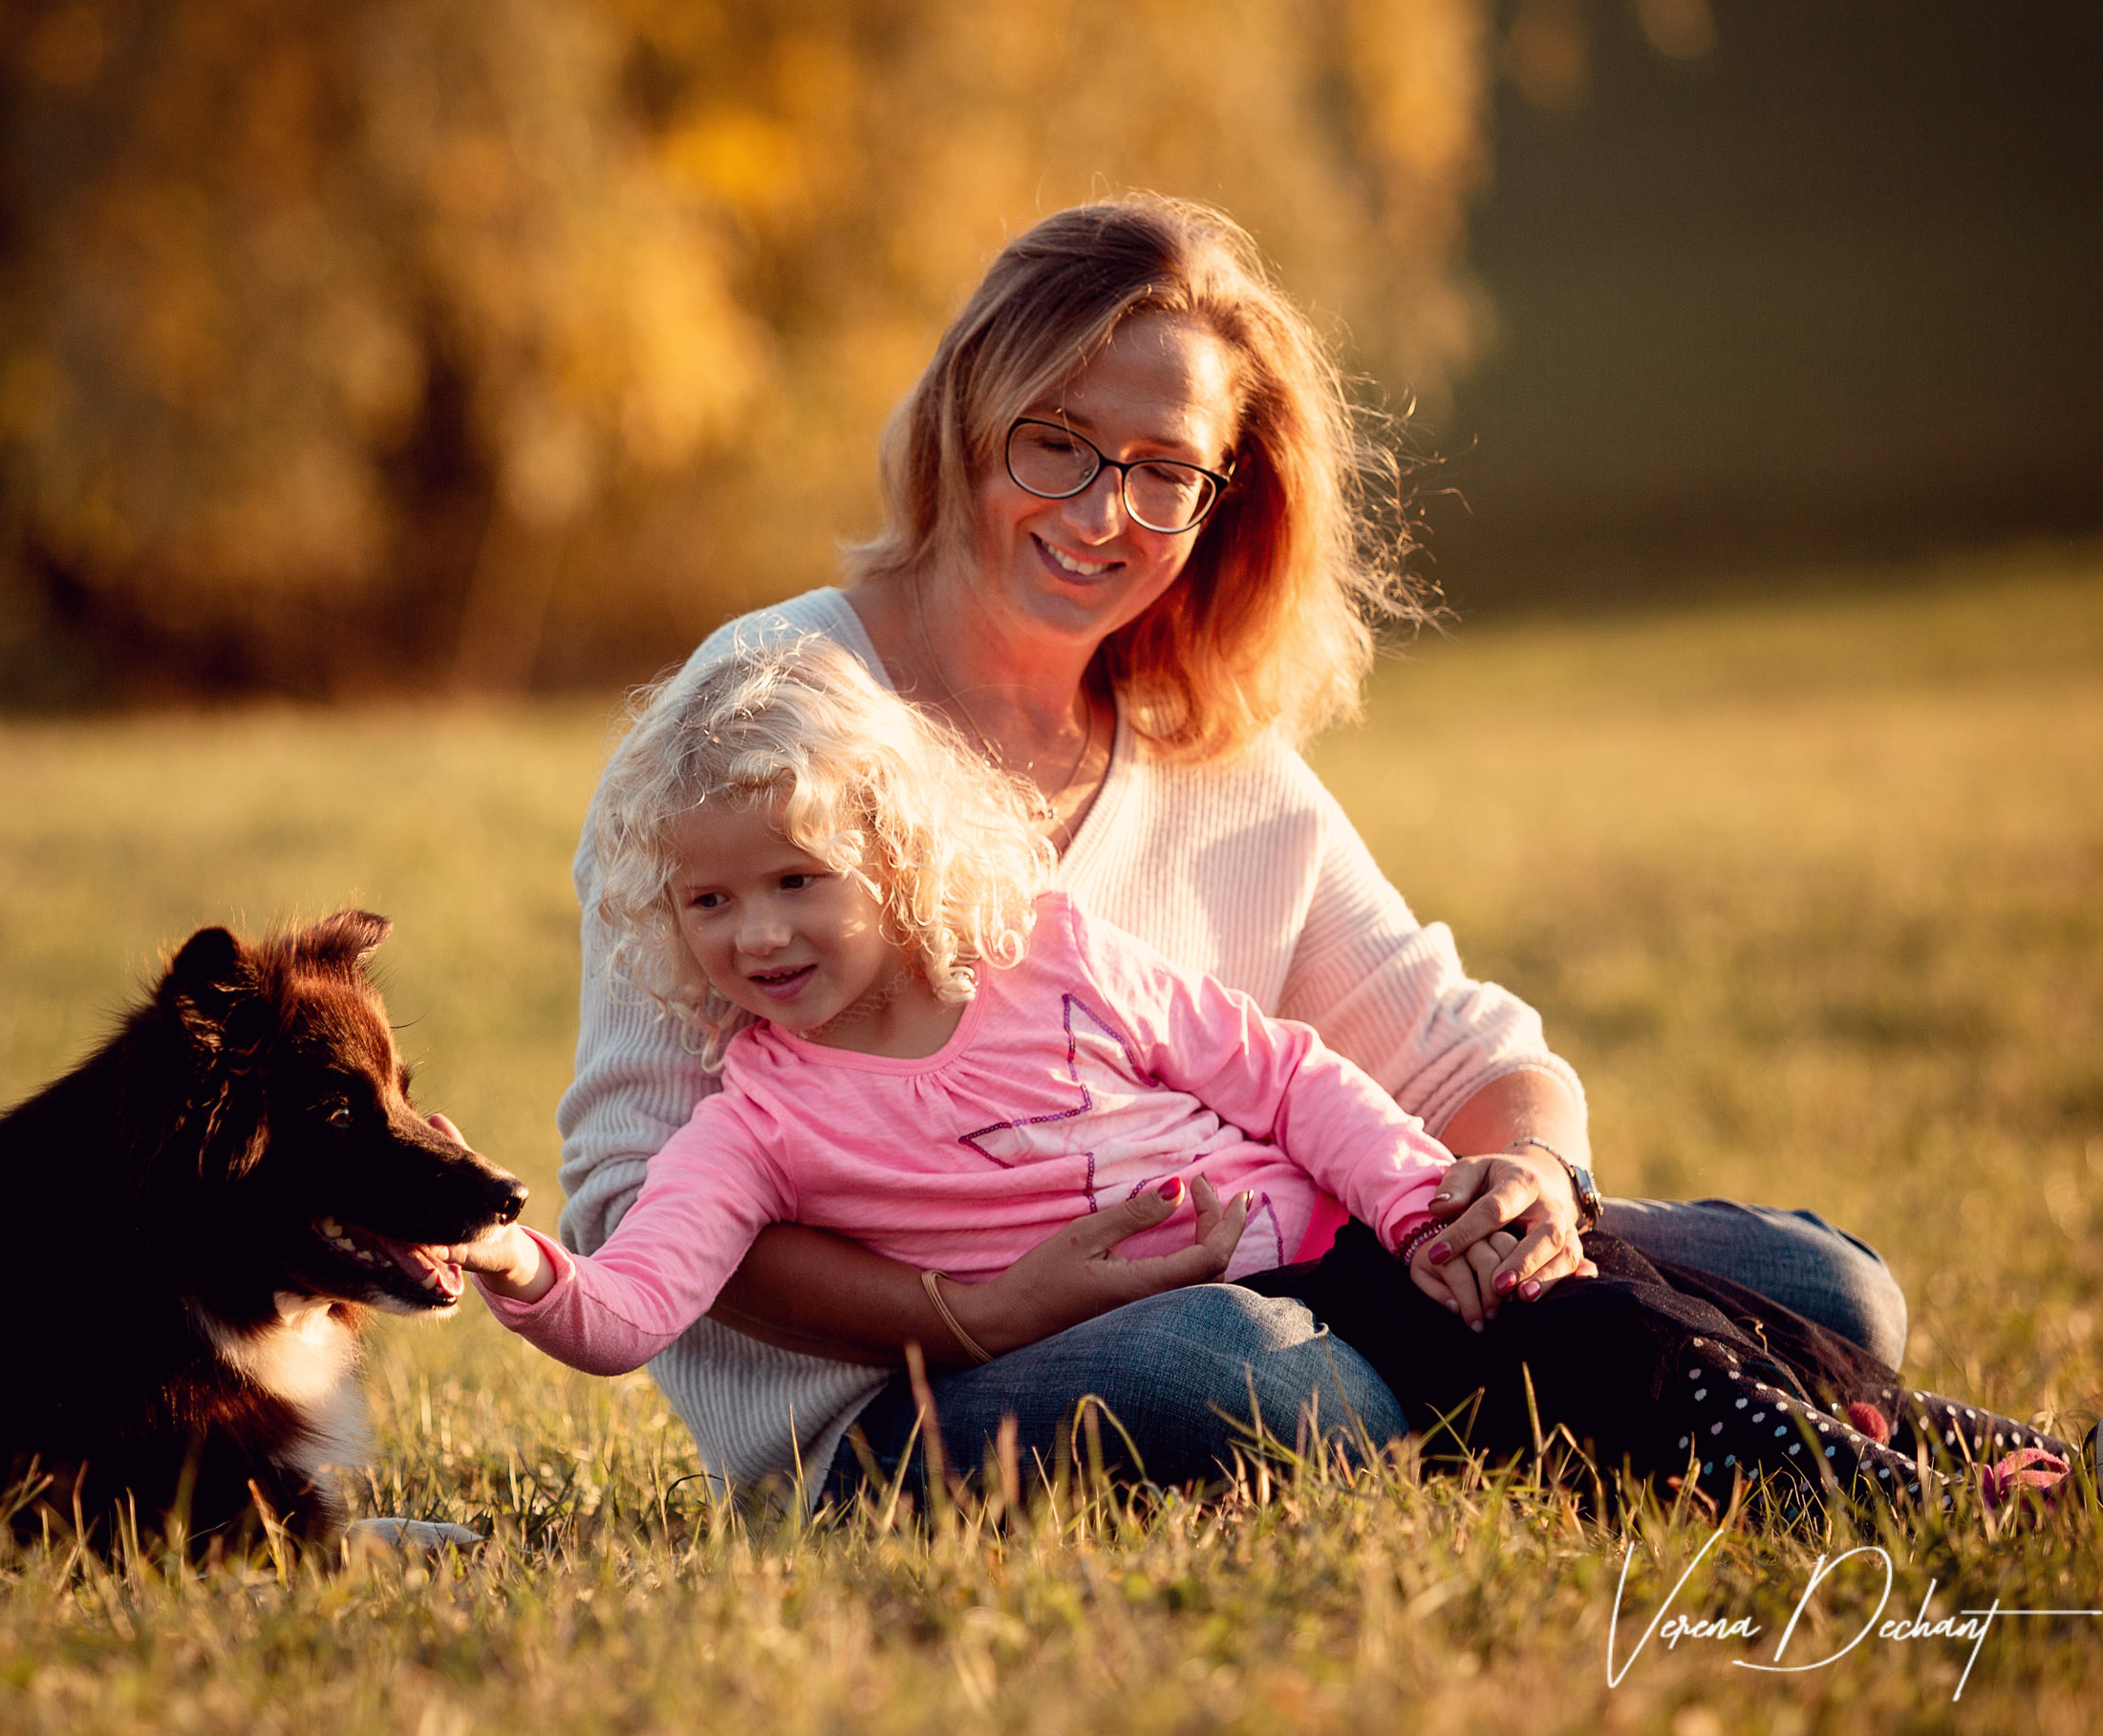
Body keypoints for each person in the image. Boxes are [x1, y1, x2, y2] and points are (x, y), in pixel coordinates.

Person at [555, 195, 1916, 1507]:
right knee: (1253, 1379)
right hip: (903, 1409)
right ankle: (1598, 1402)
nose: (1101, 514)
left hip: (1305, 1276)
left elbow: (1459, 1053)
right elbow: (630, 1193)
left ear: (1226, 501)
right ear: (969, 422)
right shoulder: (763, 713)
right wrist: (980, 1315)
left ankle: (1622, 1390)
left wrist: (1533, 1187)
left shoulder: (1216, 761)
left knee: (1821, 1289)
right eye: (1058, 444)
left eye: (1166, 474)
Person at [469, 639, 2103, 1515]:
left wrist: (1434, 1196)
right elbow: (630, 1308)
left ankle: (1974, 1452)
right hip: (1225, 1317)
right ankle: (1846, 1486)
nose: (756, 935)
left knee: (1647, 1282)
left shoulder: (1048, 957)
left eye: (795, 884)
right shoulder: (753, 1122)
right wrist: (500, 1259)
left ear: (895, 867)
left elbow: (1283, 1072)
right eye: (709, 902)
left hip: (1353, 1233)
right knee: (1574, 1338)